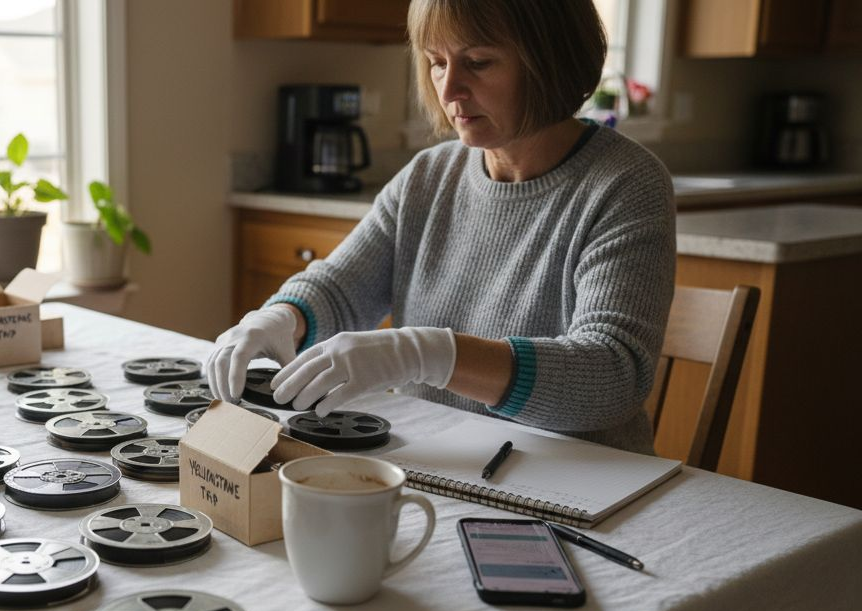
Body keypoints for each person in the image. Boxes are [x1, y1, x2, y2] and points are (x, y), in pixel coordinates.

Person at [206, 0, 674, 454]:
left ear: (551, 59)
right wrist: (282, 317)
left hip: (581, 483)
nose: (449, 90)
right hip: (446, 460)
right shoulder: (430, 175)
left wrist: (428, 353)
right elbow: (341, 287)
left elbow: (613, 376)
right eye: (436, 62)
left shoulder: (626, 184)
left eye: (478, 62)